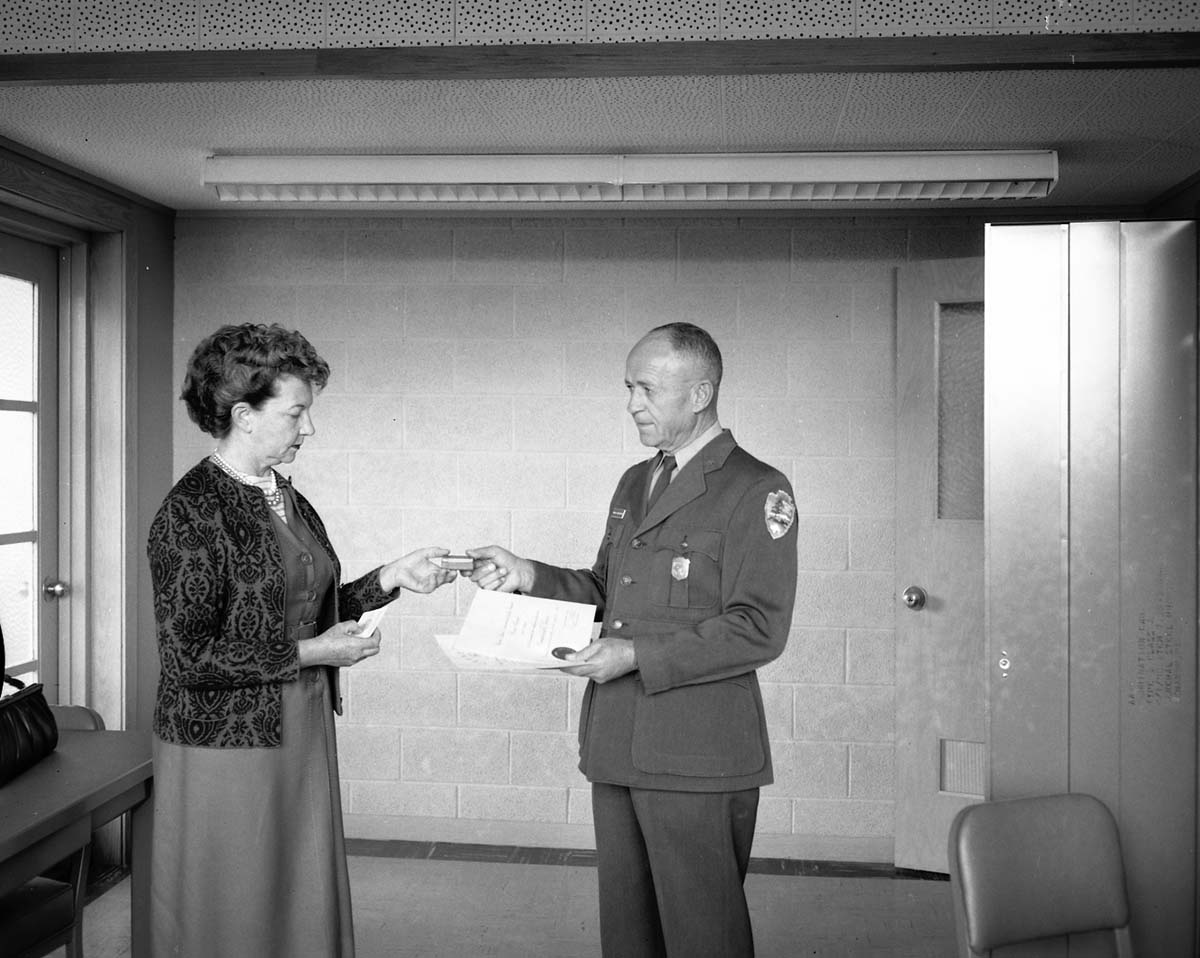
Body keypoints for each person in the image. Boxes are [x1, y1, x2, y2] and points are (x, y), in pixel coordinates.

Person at [467, 322, 798, 958]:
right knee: (629, 932)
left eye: (645, 388)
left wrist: (635, 656)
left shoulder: (757, 489)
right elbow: (605, 592)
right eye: (628, 387)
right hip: (619, 741)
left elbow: (759, 626)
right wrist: (527, 574)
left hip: (698, 751)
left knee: (704, 933)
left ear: (700, 393)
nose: (631, 404)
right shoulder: (634, 481)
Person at [146, 323, 456, 958]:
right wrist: (314, 654)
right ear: (244, 416)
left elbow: (305, 610)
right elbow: (187, 659)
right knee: (238, 897)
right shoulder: (190, 512)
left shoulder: (286, 497)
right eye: (296, 413)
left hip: (300, 723)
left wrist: (390, 578)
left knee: (294, 884)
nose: (307, 429)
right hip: (227, 746)